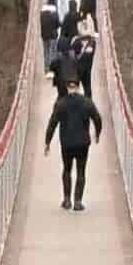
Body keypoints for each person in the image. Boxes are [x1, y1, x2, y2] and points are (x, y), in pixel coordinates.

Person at [44, 75, 102, 210]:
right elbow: (97, 119)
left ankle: (66, 200)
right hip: (83, 143)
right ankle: (77, 202)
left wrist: (47, 142)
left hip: (67, 143)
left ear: (67, 87)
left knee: (67, 169)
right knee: (81, 171)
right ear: (79, 86)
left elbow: (52, 123)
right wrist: (97, 134)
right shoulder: (87, 102)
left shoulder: (61, 104)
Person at [70, 10, 99, 98]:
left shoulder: (76, 42)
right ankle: (88, 102)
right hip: (86, 69)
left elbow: (72, 56)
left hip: (79, 70)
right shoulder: (92, 44)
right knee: (87, 88)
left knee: (79, 89)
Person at [40, 0, 63, 79]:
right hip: (53, 36)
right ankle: (52, 71)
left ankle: (46, 71)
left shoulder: (42, 13)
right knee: (53, 52)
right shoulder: (54, 12)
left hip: (44, 35)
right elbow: (57, 24)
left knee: (46, 53)